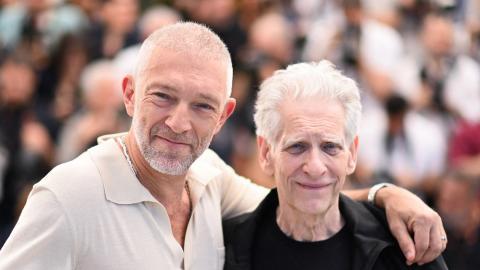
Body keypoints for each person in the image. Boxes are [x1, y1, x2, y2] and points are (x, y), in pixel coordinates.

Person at [0, 22, 446, 269]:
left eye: (201, 106)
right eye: (163, 96)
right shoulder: (67, 196)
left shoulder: (209, 177)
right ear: (130, 94)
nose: (178, 122)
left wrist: (384, 194)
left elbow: (302, 196)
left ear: (223, 117)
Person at [223, 60, 447, 270]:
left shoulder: (405, 247)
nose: (315, 167)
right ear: (265, 153)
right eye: (297, 147)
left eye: (330, 147)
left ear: (352, 153)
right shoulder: (224, 248)